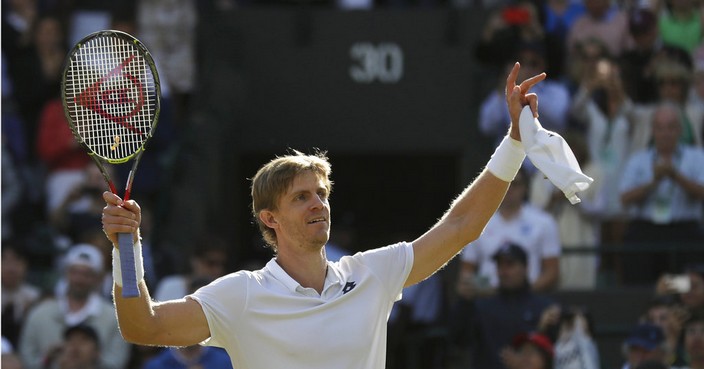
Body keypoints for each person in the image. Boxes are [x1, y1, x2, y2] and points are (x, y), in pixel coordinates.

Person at [100, 62, 547, 368]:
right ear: (270, 218)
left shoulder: (372, 273)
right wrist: (127, 245)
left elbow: (461, 226)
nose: (318, 204)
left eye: (321, 194)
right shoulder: (240, 295)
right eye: (301, 198)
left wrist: (514, 143)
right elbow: (144, 325)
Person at [619, 101, 704, 284]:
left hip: (684, 231)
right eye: (660, 128)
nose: (665, 134)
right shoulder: (638, 160)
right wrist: (653, 183)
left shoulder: (696, 157)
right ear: (653, 131)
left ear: (680, 130)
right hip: (646, 230)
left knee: (683, 286)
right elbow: (624, 198)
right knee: (640, 284)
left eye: (671, 128)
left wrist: (675, 176)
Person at [18, 244, 130, 369]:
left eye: (87, 274)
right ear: (66, 274)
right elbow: (26, 359)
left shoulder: (114, 319)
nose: (79, 279)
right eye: (75, 272)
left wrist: (88, 360)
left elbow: (117, 362)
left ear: (99, 278)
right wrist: (47, 360)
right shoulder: (39, 314)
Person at [457, 168, 561, 299]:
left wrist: (521, 294)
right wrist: (481, 290)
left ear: (525, 188)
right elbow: (466, 272)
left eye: (515, 184)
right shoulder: (478, 223)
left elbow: (552, 272)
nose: (509, 189)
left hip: (528, 301)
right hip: (487, 301)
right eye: (503, 183)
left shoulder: (544, 222)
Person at [1, 240, 42, 348]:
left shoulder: (36, 297)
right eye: (5, 260)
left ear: (26, 265)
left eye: (17, 261)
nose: (11, 268)